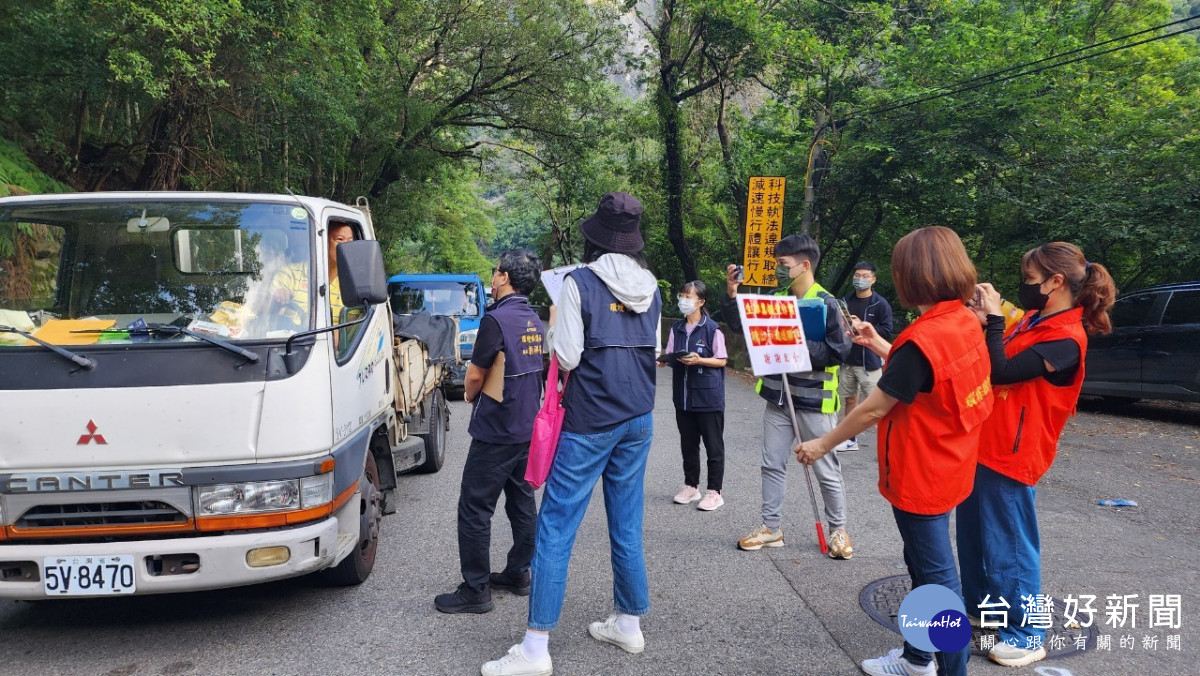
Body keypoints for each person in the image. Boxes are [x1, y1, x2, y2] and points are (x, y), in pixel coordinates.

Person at [796, 226, 993, 676]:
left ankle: (950, 670)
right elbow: (925, 378)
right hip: (953, 461)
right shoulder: (961, 321)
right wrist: (882, 344)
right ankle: (916, 657)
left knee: (938, 579)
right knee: (923, 567)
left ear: (912, 275)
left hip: (921, 472)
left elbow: (874, 409)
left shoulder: (923, 338)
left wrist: (822, 443)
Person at [482, 192, 661, 676]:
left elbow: (568, 357)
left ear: (594, 238)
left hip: (591, 420)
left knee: (557, 527)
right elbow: (655, 348)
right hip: (638, 417)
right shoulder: (654, 286)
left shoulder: (579, 283)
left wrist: (561, 319)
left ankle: (536, 648)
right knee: (626, 523)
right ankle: (629, 623)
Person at [957, 243, 1115, 667]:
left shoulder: (1066, 338)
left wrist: (991, 319)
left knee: (1009, 544)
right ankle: (983, 609)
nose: (1024, 287)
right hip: (984, 443)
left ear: (1056, 282)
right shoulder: (1030, 318)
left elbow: (1002, 370)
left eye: (1029, 280)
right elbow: (997, 349)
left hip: (1014, 453)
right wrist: (984, 315)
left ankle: (1028, 633)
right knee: (973, 535)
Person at [721, 234, 854, 558]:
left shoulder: (828, 303)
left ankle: (838, 530)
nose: (779, 270)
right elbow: (743, 326)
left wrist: (790, 342)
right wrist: (732, 293)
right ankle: (771, 528)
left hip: (814, 401)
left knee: (825, 467)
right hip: (778, 399)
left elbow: (839, 351)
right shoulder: (775, 299)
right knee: (771, 464)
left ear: (804, 265)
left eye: (784, 265)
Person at [434, 249, 546, 615]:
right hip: (527, 425)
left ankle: (476, 589)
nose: (493, 276)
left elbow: (476, 375)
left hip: (497, 429)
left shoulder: (496, 320)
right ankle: (519, 573)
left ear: (504, 278)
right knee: (521, 502)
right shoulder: (534, 319)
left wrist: (468, 395)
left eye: (495, 271)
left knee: (475, 507)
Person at [660, 280, 728, 511]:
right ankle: (691, 486)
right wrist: (665, 361)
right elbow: (670, 353)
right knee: (688, 445)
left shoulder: (712, 329)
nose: (684, 300)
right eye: (682, 295)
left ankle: (714, 492)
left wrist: (699, 360)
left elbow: (721, 360)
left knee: (713, 447)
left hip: (708, 398)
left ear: (701, 302)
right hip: (683, 397)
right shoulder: (677, 328)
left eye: (689, 296)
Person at [836, 260, 893, 451]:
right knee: (850, 399)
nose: (860, 279)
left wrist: (865, 327)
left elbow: (887, 330)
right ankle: (850, 439)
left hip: (870, 361)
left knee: (878, 404)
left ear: (873, 279)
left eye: (865, 276)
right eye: (857, 275)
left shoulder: (880, 304)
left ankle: (890, 443)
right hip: (848, 359)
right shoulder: (846, 301)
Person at [269, 222, 354, 327]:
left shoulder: (353, 283)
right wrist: (279, 296)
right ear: (322, 242)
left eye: (350, 242)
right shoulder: (289, 273)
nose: (345, 246)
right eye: (340, 239)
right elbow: (268, 306)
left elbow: (351, 331)